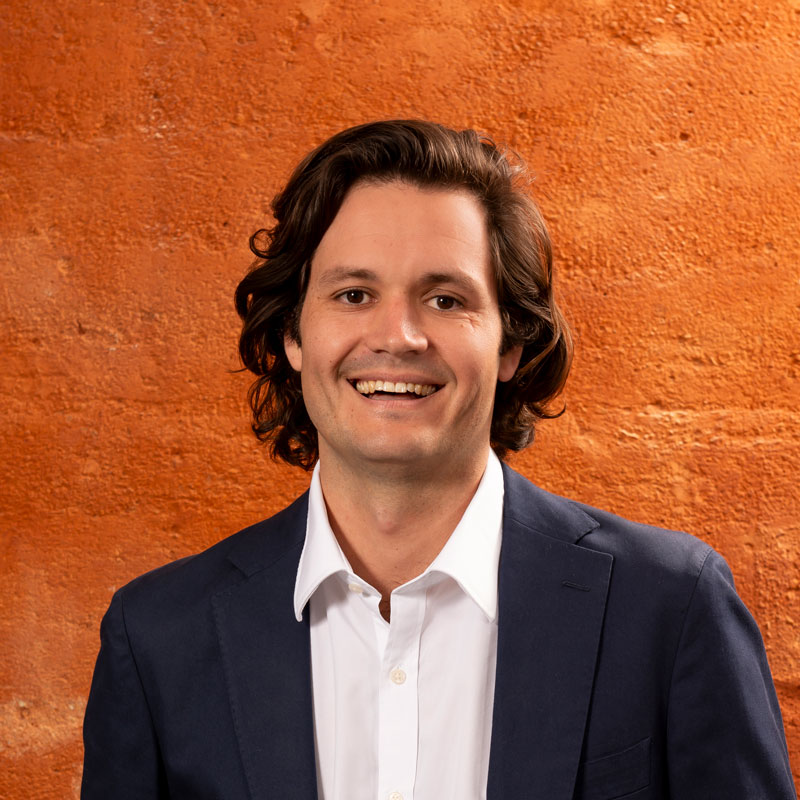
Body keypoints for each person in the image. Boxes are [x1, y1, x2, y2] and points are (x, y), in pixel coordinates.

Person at [82, 120, 796, 799]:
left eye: (446, 299)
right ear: (293, 334)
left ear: (512, 342)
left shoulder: (670, 608)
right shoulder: (157, 639)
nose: (398, 335)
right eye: (354, 294)